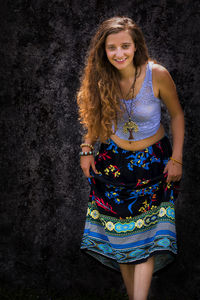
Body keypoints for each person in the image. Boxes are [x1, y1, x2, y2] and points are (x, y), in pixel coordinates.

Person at [77, 16, 184, 300]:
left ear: (136, 47)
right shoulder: (102, 76)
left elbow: (176, 115)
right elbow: (94, 117)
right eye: (112, 48)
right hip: (112, 163)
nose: (119, 53)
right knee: (121, 240)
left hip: (153, 164)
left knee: (146, 238)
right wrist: (87, 149)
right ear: (104, 50)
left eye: (125, 46)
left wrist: (177, 158)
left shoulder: (156, 74)